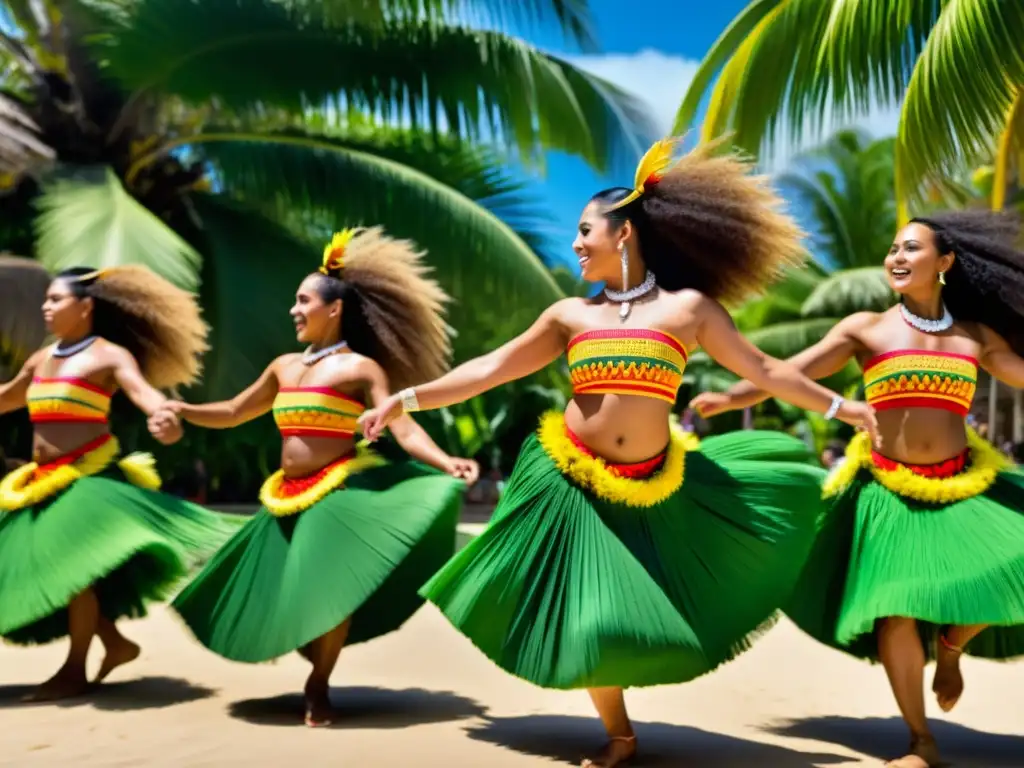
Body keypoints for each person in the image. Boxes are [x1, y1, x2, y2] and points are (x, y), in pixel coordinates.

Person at [358, 139, 878, 768]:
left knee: (634, 613)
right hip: (569, 477)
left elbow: (765, 368)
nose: (575, 244)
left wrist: (840, 407)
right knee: (589, 613)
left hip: (654, 482)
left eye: (584, 230)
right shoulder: (569, 315)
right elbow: (490, 369)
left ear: (624, 232)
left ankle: (623, 719)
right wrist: (405, 399)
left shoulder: (689, 310)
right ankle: (620, 733)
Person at [691, 210, 1024, 768]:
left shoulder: (975, 337)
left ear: (944, 263)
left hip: (964, 482)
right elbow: (787, 370)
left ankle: (950, 645)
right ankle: (921, 741)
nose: (896, 257)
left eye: (911, 248)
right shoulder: (865, 328)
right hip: (886, 491)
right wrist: (732, 398)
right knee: (896, 612)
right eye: (893, 247)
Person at [148, 227, 479, 727]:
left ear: (334, 309)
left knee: (330, 590)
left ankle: (318, 684)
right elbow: (235, 410)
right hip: (285, 495)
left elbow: (404, 429)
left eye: (303, 301)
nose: (294, 310)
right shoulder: (283, 366)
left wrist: (444, 462)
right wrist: (185, 408)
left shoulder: (360, 369)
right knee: (289, 593)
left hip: (337, 493)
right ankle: (315, 659)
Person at [0, 264, 231, 701]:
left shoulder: (108, 355)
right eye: (46, 299)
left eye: (55, 299)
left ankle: (74, 670)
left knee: (72, 568)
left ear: (85, 307)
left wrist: (165, 417)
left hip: (88, 479)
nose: (45, 307)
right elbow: (8, 396)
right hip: (39, 481)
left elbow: (146, 395)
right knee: (52, 569)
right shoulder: (41, 359)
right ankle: (114, 643)